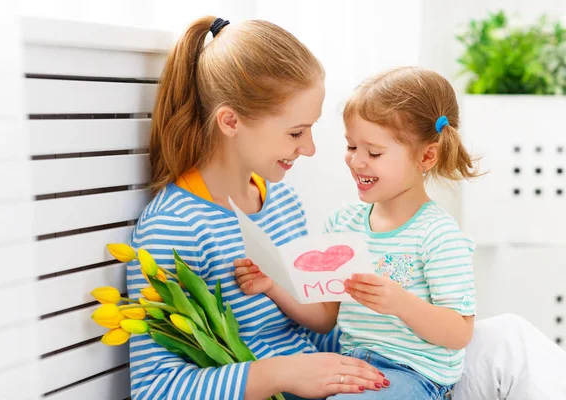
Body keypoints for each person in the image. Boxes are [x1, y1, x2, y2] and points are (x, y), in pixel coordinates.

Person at [127, 16, 566, 400]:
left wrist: (392, 328)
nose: (312, 148)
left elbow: (324, 317)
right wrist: (282, 373)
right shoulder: (174, 226)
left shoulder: (281, 201)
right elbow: (155, 388)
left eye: (313, 129)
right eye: (297, 132)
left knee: (512, 338)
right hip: (305, 383)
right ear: (230, 122)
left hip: (354, 365)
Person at [236, 67, 478, 399]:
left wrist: (400, 303)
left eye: (374, 153)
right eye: (351, 147)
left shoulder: (438, 235)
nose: (356, 161)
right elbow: (324, 319)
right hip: (350, 365)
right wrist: (273, 287)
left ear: (426, 156)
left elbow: (459, 332)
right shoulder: (342, 224)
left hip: (413, 375)